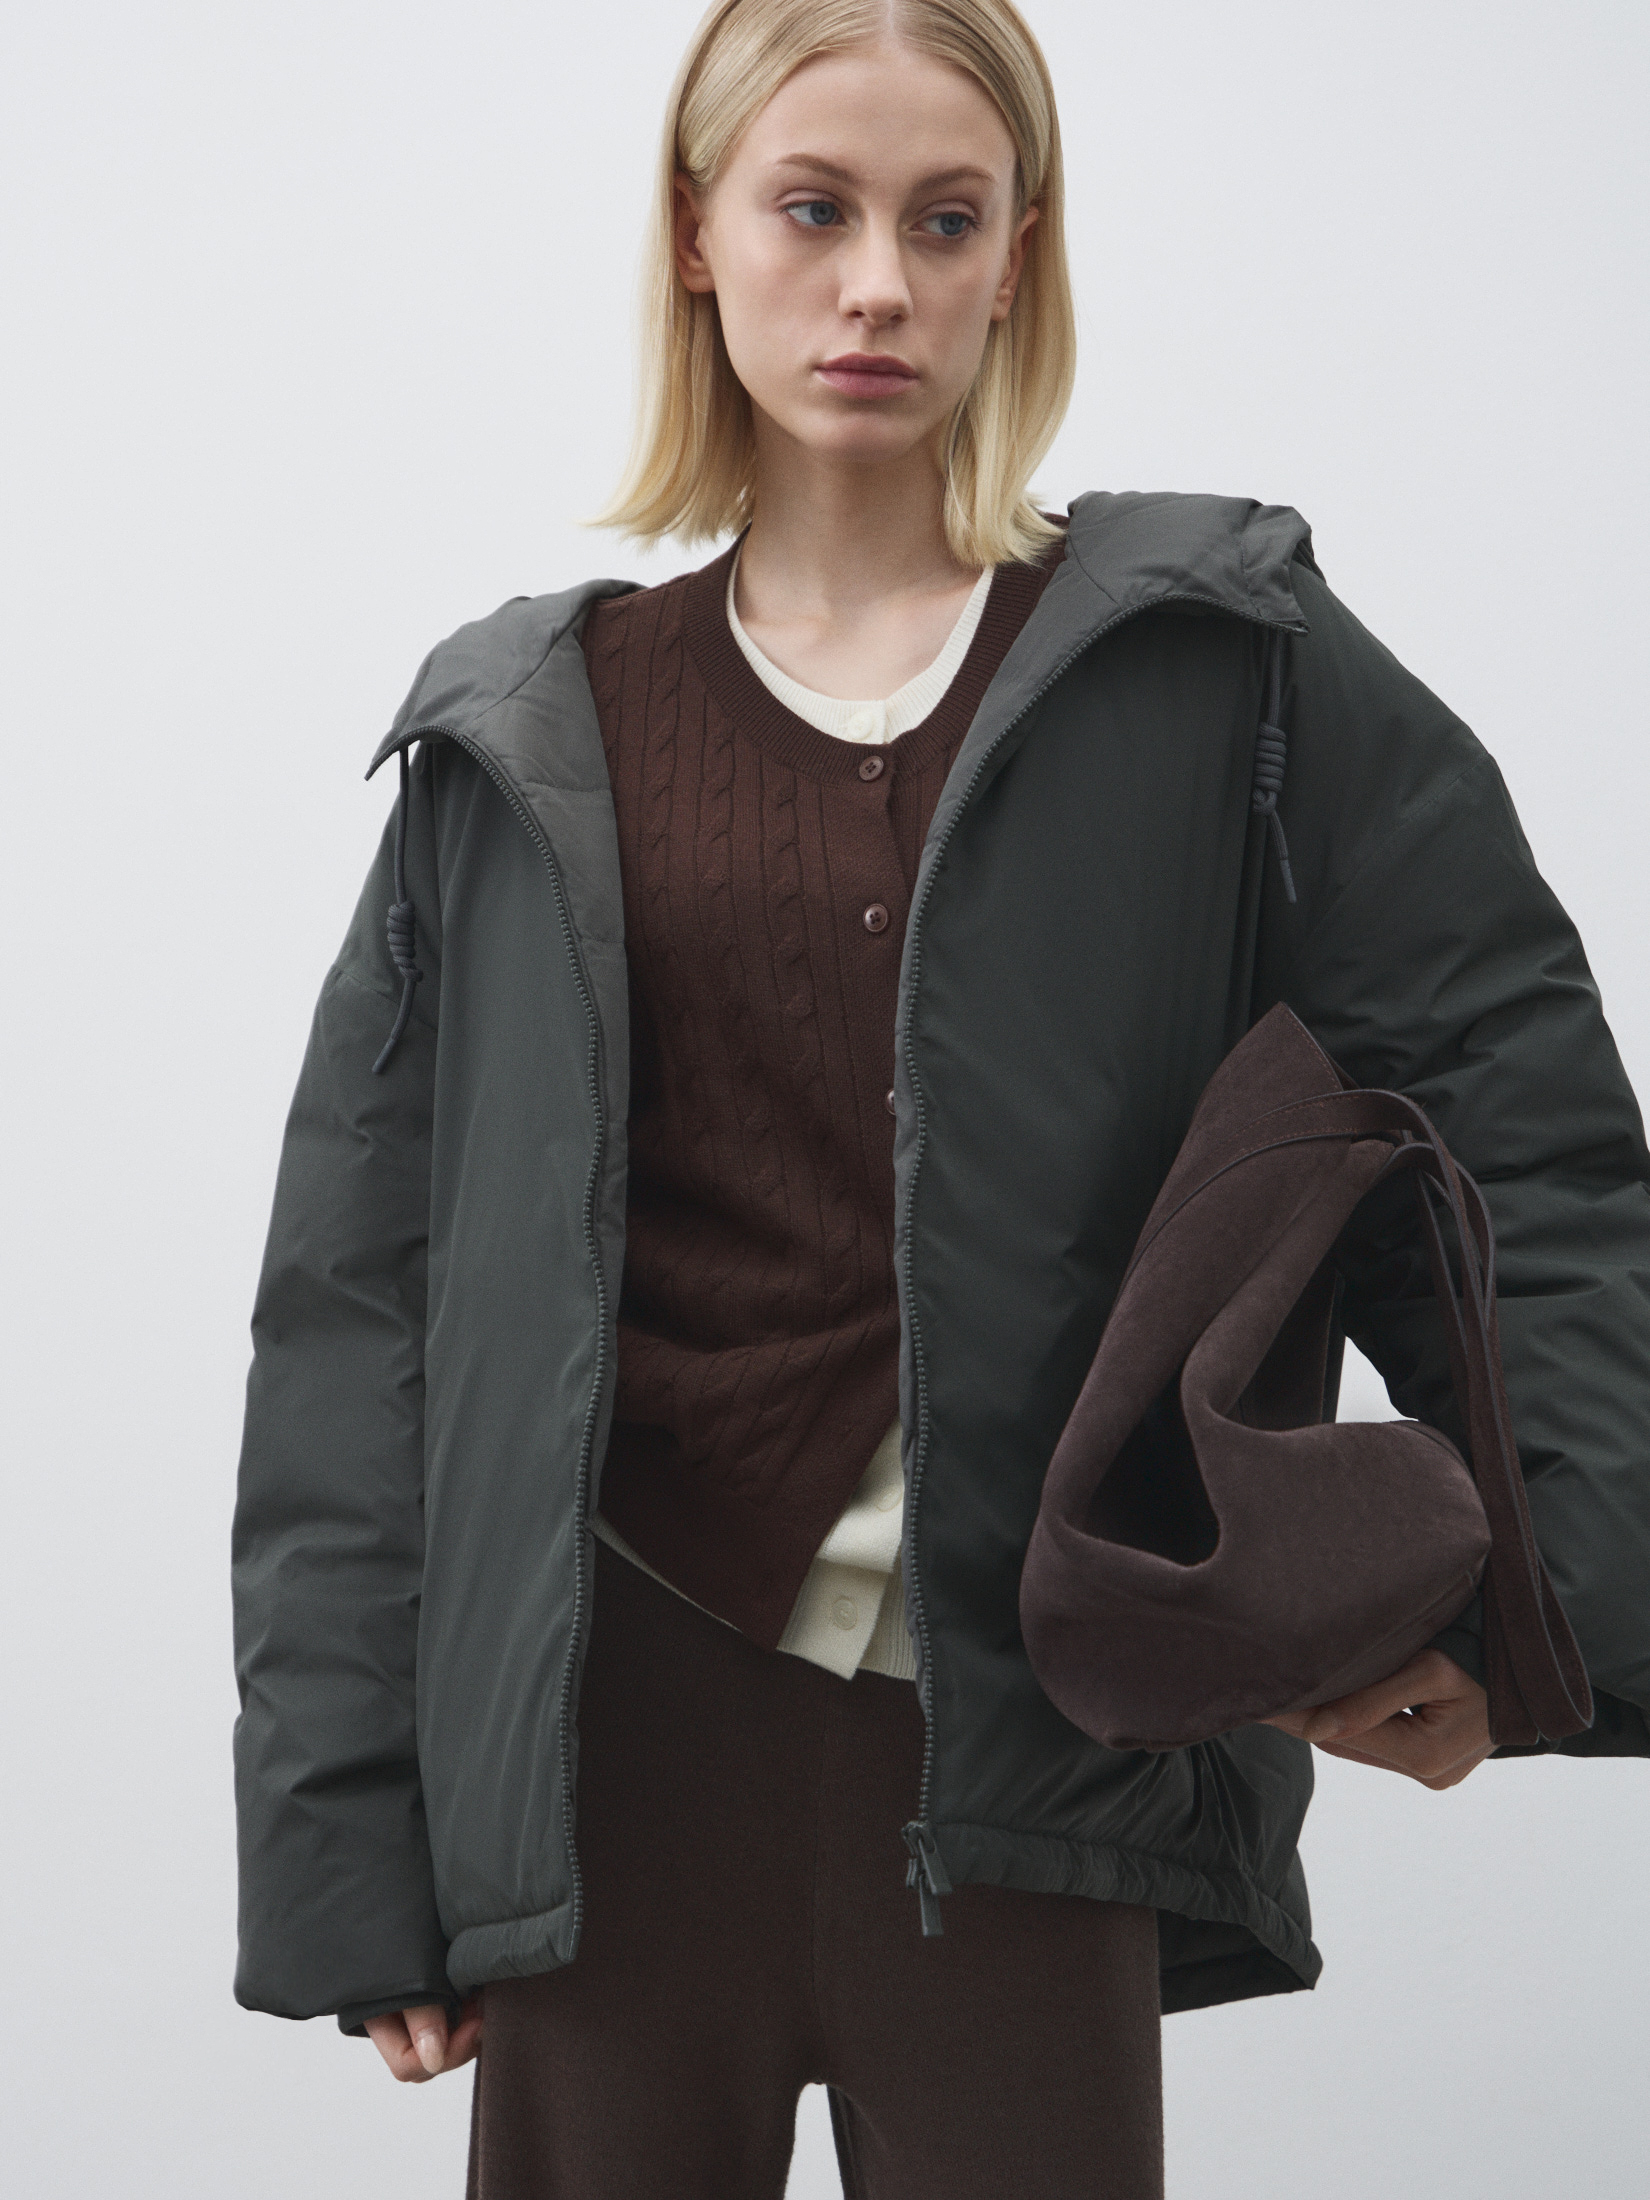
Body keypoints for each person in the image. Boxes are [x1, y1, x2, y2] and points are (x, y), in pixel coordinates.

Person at [230, 2, 1650, 2194]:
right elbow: (363, 1314)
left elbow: (1520, 1142)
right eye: (813, 209)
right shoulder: (527, 733)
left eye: (946, 218)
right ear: (697, 235)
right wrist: (349, 1841)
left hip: (1045, 1741)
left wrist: (1532, 1611)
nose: (877, 282)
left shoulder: (1221, 665)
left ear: (1019, 256)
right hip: (610, 1755)